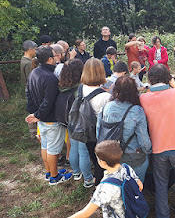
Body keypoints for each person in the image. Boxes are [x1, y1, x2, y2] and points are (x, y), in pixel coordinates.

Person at [140, 64, 175, 218]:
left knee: (161, 184)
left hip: (158, 148)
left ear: (150, 78)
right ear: (167, 77)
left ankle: (162, 214)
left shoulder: (143, 98)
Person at [25, 46, 72, 185]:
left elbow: (28, 94)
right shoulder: (51, 78)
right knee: (53, 149)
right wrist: (38, 114)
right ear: (50, 59)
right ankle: (54, 177)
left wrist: (34, 113)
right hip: (51, 119)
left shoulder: (34, 73)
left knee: (45, 146)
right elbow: (48, 101)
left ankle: (49, 172)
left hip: (41, 118)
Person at [68, 140, 143, 218]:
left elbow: (86, 213)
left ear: (102, 162)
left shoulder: (105, 187)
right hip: (132, 214)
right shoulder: (126, 168)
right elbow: (140, 186)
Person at [98, 76, 152, 182]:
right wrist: (148, 152)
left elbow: (99, 133)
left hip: (112, 157)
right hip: (133, 157)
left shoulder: (106, 107)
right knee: (135, 186)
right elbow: (144, 143)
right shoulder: (137, 111)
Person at [54, 59, 93, 187]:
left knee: (74, 148)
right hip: (80, 122)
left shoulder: (62, 87)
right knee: (83, 151)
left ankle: (76, 173)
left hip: (68, 122)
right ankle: (88, 179)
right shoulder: (79, 89)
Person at [80, 58, 111, 186]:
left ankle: (96, 179)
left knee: (94, 157)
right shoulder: (105, 96)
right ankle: (101, 184)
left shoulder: (81, 88)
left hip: (85, 129)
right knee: (103, 161)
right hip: (100, 132)